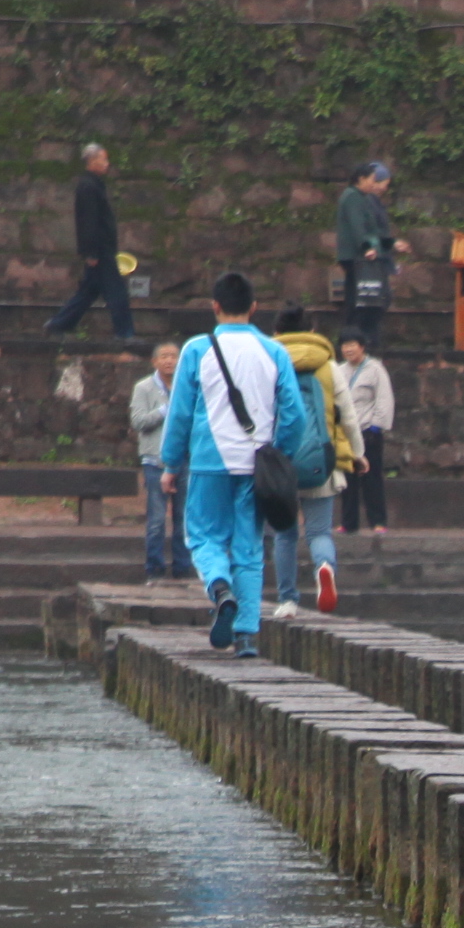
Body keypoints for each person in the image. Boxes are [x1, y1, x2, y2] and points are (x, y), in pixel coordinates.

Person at [160, 273, 316, 653]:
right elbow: (295, 415)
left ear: (215, 307)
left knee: (202, 535)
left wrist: (169, 463)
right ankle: (246, 635)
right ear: (254, 308)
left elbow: (180, 412)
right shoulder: (275, 352)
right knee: (248, 546)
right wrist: (277, 453)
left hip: (209, 462)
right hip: (255, 465)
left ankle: (219, 587)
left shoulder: (197, 349)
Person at [259, 305, 358, 615]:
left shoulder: (266, 363)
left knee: (285, 534)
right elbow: (350, 417)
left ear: (276, 333)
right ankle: (324, 567)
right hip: (321, 461)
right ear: (312, 331)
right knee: (318, 532)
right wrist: (358, 454)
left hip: (279, 463)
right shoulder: (329, 367)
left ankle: (288, 600)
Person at [46, 143, 135, 341]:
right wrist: (91, 252)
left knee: (88, 292)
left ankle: (58, 324)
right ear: (92, 161)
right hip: (100, 249)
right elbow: (88, 221)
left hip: (103, 248)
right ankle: (125, 333)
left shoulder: (94, 184)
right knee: (116, 291)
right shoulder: (88, 186)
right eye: (103, 159)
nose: (107, 164)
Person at [334, 161, 405, 347]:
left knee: (371, 301)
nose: (374, 185)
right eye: (372, 180)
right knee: (360, 302)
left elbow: (373, 230)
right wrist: (366, 248)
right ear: (361, 179)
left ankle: (364, 342)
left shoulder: (362, 198)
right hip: (357, 258)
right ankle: (355, 341)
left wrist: (391, 243)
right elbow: (358, 227)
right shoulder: (352, 197)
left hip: (364, 256)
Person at [130, 338, 180, 579]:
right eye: (165, 356)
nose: (170, 360)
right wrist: (163, 410)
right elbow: (138, 421)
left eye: (174, 356)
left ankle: (183, 570)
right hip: (154, 461)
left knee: (185, 520)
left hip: (183, 462)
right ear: (155, 361)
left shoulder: (187, 387)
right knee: (157, 520)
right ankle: (154, 570)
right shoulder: (144, 388)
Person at [336, 334, 393, 540]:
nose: (348, 349)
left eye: (352, 345)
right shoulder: (339, 370)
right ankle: (348, 522)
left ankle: (378, 521)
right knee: (347, 479)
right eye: (344, 345)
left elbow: (384, 399)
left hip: (368, 430)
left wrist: (376, 427)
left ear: (362, 347)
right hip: (345, 432)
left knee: (372, 477)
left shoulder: (375, 369)